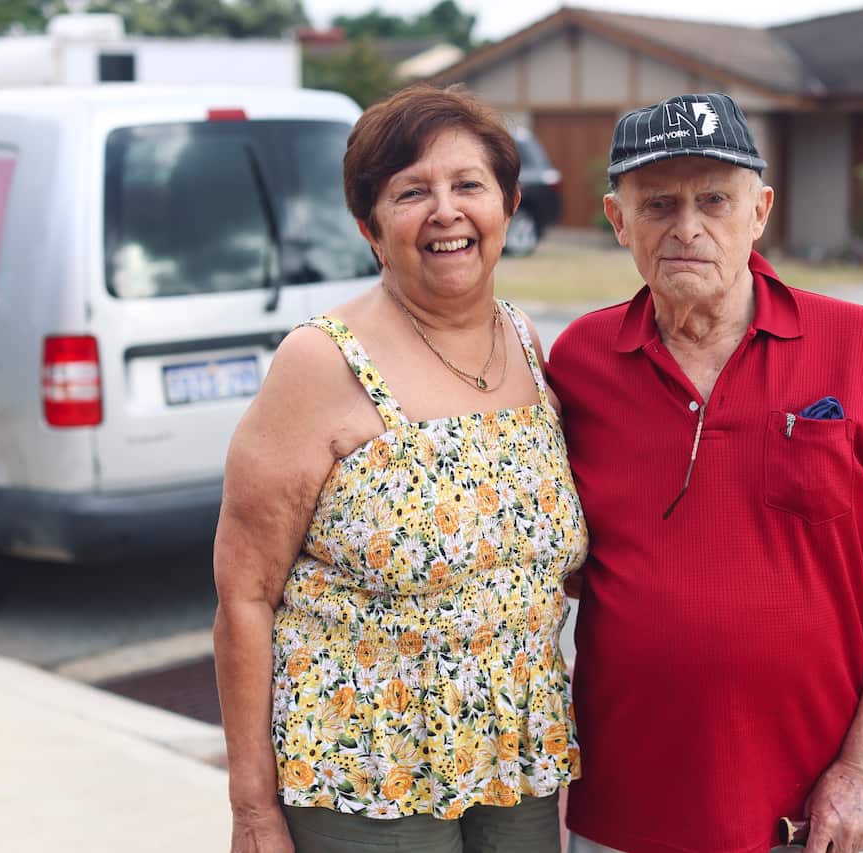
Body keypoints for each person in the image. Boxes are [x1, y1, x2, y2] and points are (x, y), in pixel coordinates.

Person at [547, 93, 863, 853]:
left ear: (759, 210)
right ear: (618, 221)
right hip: (626, 811)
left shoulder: (861, 345)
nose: (688, 226)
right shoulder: (580, 364)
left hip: (812, 817)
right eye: (658, 202)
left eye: (714, 198)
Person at [212, 84, 587, 853]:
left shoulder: (526, 342)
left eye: (468, 185)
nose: (445, 211)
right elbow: (244, 595)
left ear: (508, 206)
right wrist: (252, 808)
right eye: (411, 191)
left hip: (514, 760)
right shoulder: (319, 361)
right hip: (363, 769)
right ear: (371, 228)